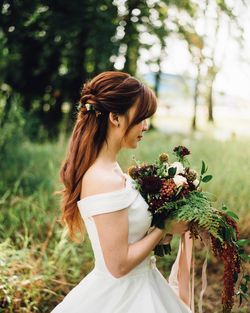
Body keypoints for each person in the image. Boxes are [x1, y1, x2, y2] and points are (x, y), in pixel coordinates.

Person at [51, 71, 193, 313]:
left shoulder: (113, 169)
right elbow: (118, 265)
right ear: (115, 117)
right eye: (141, 118)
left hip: (145, 283)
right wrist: (164, 227)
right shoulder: (102, 178)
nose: (146, 126)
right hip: (122, 298)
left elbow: (127, 232)